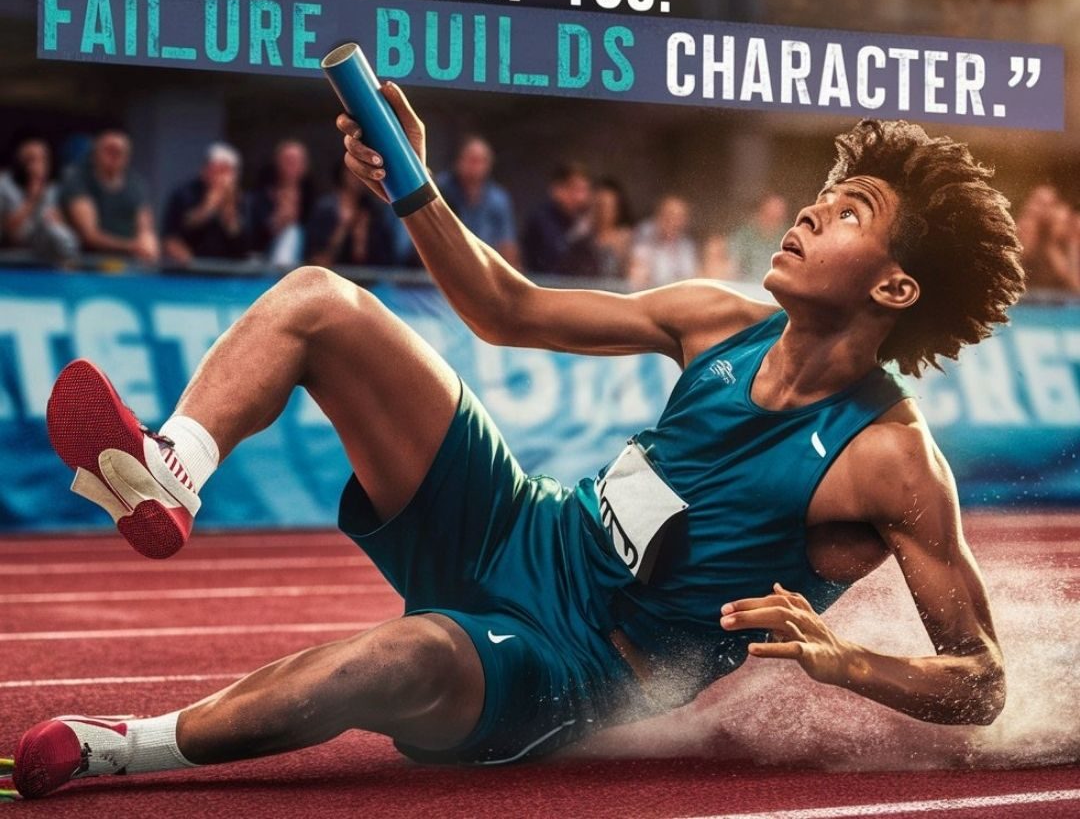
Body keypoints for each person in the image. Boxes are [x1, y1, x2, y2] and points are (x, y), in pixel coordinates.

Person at [15, 103, 1024, 799]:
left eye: (851, 214)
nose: (812, 210)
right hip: (522, 524)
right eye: (824, 195)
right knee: (319, 299)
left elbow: (979, 680)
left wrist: (846, 660)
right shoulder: (720, 320)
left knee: (401, 656)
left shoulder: (890, 461)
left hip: (574, 665)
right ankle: (174, 465)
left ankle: (118, 749)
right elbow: (505, 308)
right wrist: (412, 184)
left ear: (894, 289)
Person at [59, 128, 158, 263]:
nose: (115, 156)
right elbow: (90, 235)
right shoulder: (78, 180)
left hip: (129, 267)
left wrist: (148, 242)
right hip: (87, 264)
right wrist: (132, 246)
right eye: (109, 150)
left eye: (120, 152)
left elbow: (145, 227)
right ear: (95, 152)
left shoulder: (136, 184)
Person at [436, 136, 519, 266]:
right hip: (444, 264)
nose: (476, 167)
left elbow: (507, 243)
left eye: (481, 161)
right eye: (472, 160)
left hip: (485, 268)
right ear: (459, 160)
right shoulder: (439, 190)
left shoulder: (498, 198)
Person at [162, 144, 251, 265]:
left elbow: (243, 243)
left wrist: (228, 209)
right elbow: (173, 233)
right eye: (216, 170)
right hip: (191, 271)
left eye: (226, 171)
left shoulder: (243, 201)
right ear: (205, 170)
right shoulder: (184, 194)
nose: (221, 177)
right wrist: (209, 206)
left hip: (231, 273)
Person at [0, 137, 78, 263]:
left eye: (43, 159)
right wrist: (32, 200)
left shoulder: (52, 188)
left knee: (58, 233)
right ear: (19, 162)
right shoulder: (4, 185)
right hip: (9, 255)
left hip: (43, 251)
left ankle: (69, 275)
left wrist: (58, 219)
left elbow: (63, 230)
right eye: (31, 160)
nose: (38, 165)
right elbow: (11, 234)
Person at [306, 160, 396, 269]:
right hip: (330, 273)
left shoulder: (372, 211)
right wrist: (342, 228)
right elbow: (316, 258)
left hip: (365, 277)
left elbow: (384, 263)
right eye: (352, 172)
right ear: (343, 172)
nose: (356, 178)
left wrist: (360, 239)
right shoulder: (325, 208)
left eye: (361, 172)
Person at [521, 161, 599, 276]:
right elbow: (553, 265)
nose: (581, 198)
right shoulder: (541, 220)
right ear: (557, 190)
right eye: (576, 190)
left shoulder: (585, 221)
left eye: (585, 190)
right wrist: (576, 236)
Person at [250, 140, 316, 267]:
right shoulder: (260, 196)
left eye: (296, 161)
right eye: (287, 160)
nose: (291, 165)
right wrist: (280, 218)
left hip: (304, 265)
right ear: (277, 162)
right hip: (264, 261)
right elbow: (253, 238)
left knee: (294, 232)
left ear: (305, 166)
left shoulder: (313, 198)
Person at [628, 194, 698, 290]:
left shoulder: (687, 245)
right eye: (669, 214)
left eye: (679, 217)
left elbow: (691, 278)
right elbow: (637, 277)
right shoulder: (645, 234)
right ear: (658, 215)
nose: (672, 221)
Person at [728, 192, 789, 282]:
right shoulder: (746, 234)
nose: (775, 214)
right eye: (771, 210)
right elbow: (733, 264)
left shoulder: (788, 234)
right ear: (762, 209)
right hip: (749, 285)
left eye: (779, 210)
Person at [591, 177, 635, 280]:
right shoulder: (583, 237)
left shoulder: (626, 238)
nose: (603, 212)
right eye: (599, 206)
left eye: (608, 206)